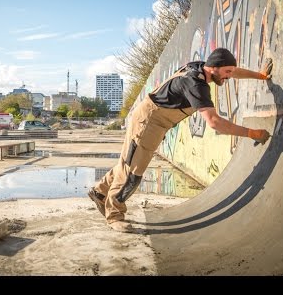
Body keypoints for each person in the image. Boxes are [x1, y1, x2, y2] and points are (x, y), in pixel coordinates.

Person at [88, 48, 273, 232]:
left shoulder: (202, 67)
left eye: (231, 72)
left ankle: (99, 192)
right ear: (214, 68)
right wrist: (251, 133)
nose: (229, 76)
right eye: (227, 72)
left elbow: (235, 70)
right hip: (150, 122)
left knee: (128, 161)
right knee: (133, 172)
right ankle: (114, 215)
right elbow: (214, 122)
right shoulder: (196, 85)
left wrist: (261, 75)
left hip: (151, 117)